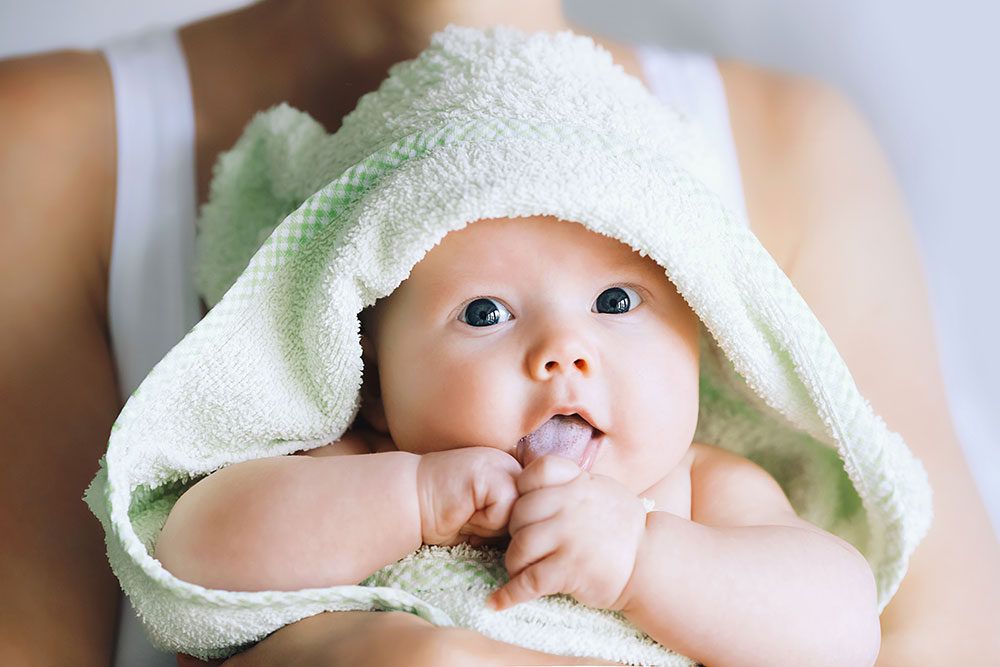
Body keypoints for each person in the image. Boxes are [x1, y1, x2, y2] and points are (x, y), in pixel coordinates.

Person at [0, 3, 997, 667]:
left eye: (618, 303)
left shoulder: (699, 491)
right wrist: (412, 498)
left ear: (703, 343)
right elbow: (191, 553)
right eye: (484, 313)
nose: (563, 354)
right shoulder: (367, 465)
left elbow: (836, 629)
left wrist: (643, 562)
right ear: (375, 383)